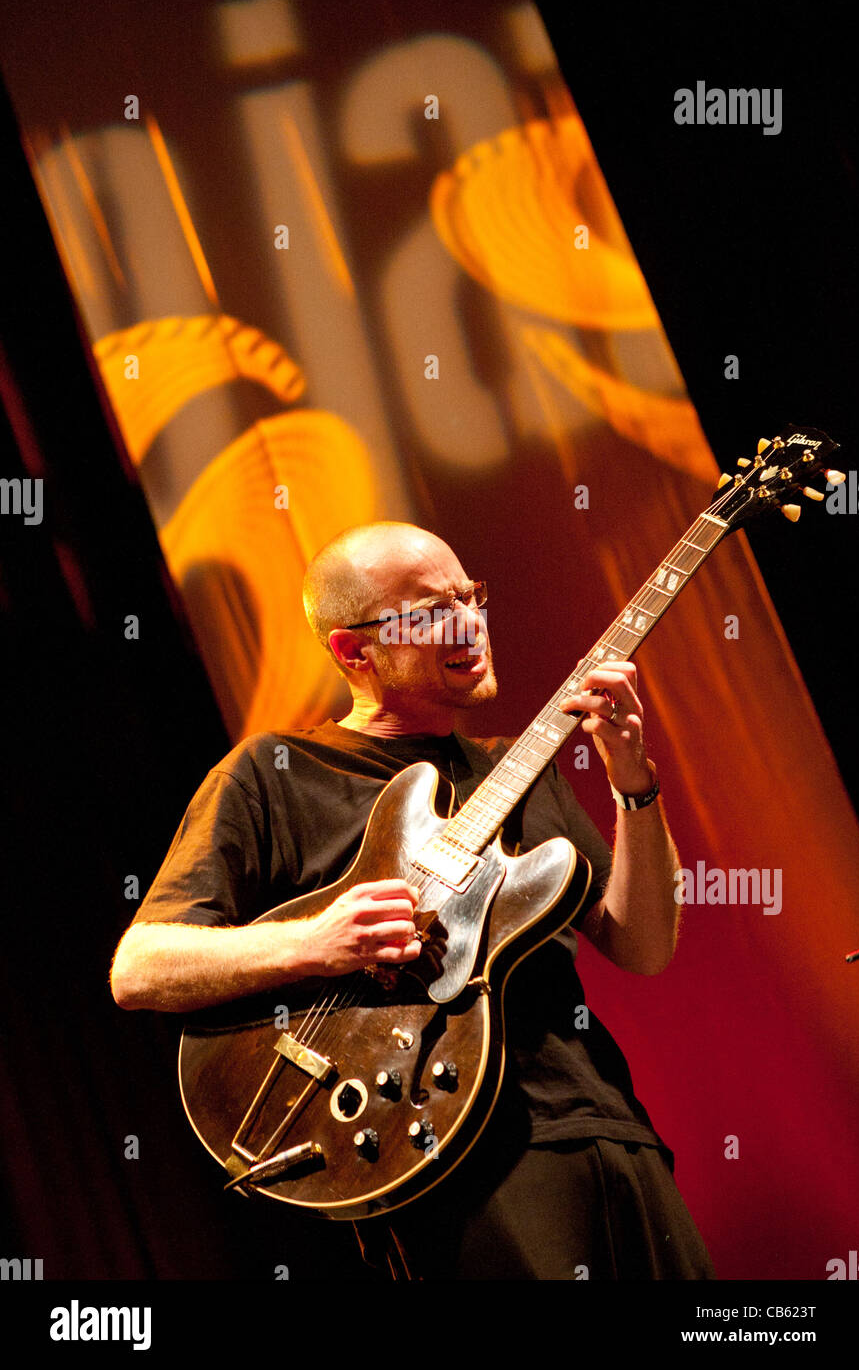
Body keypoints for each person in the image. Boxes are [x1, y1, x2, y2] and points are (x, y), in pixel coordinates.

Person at [110, 521, 714, 1281]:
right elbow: (140, 968)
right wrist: (316, 941)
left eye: (470, 596)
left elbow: (644, 947)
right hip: (447, 1158)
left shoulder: (517, 769)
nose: (469, 624)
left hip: (605, 1125)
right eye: (430, 612)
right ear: (352, 652)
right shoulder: (271, 774)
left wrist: (636, 782)